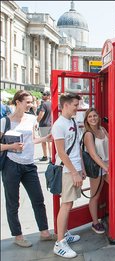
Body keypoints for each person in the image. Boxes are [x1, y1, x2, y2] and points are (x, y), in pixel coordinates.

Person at [0, 90, 55, 248]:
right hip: (11, 164)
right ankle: (18, 236)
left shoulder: (32, 119)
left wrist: (45, 138)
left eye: (32, 102)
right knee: (13, 203)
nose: (31, 105)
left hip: (29, 164)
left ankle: (44, 232)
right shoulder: (5, 121)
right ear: (18, 102)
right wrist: (11, 146)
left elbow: (32, 140)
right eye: (28, 102)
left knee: (38, 199)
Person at [51, 93, 85, 259]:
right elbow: (62, 153)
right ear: (65, 105)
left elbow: (77, 146)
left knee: (70, 203)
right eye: (75, 105)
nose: (77, 108)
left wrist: (82, 169)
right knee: (66, 204)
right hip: (67, 171)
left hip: (76, 169)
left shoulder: (72, 121)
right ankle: (60, 243)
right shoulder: (59, 125)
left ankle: (64, 233)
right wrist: (73, 172)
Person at [82, 108, 109, 234]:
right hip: (98, 167)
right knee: (95, 195)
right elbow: (93, 154)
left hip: (108, 165)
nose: (93, 118)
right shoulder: (88, 134)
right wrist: (105, 167)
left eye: (95, 116)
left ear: (98, 117)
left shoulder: (102, 129)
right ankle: (95, 222)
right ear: (86, 120)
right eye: (90, 117)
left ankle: (113, 214)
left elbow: (113, 144)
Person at [37, 91, 52, 162]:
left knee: (44, 141)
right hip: (51, 124)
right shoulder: (52, 103)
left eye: (45, 95)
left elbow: (41, 114)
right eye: (43, 94)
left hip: (43, 124)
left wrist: (37, 120)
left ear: (48, 96)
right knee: (50, 141)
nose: (43, 96)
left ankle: (45, 156)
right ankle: (51, 157)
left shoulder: (44, 104)